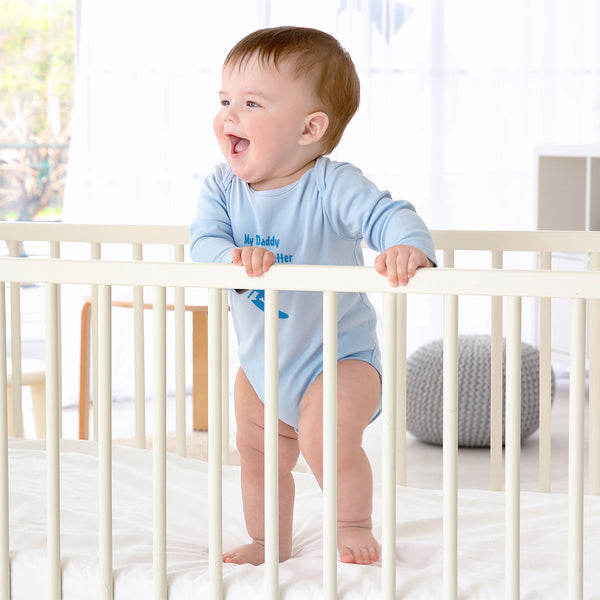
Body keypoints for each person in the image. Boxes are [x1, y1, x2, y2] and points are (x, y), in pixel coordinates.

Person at [190, 26, 436, 567]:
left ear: (310, 128)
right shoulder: (222, 188)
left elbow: (389, 214)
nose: (229, 115)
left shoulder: (331, 184)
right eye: (225, 101)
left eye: (250, 103)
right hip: (261, 365)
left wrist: (405, 247)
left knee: (325, 436)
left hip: (339, 360)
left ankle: (350, 521)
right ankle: (265, 539)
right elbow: (203, 244)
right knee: (256, 454)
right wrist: (229, 259)